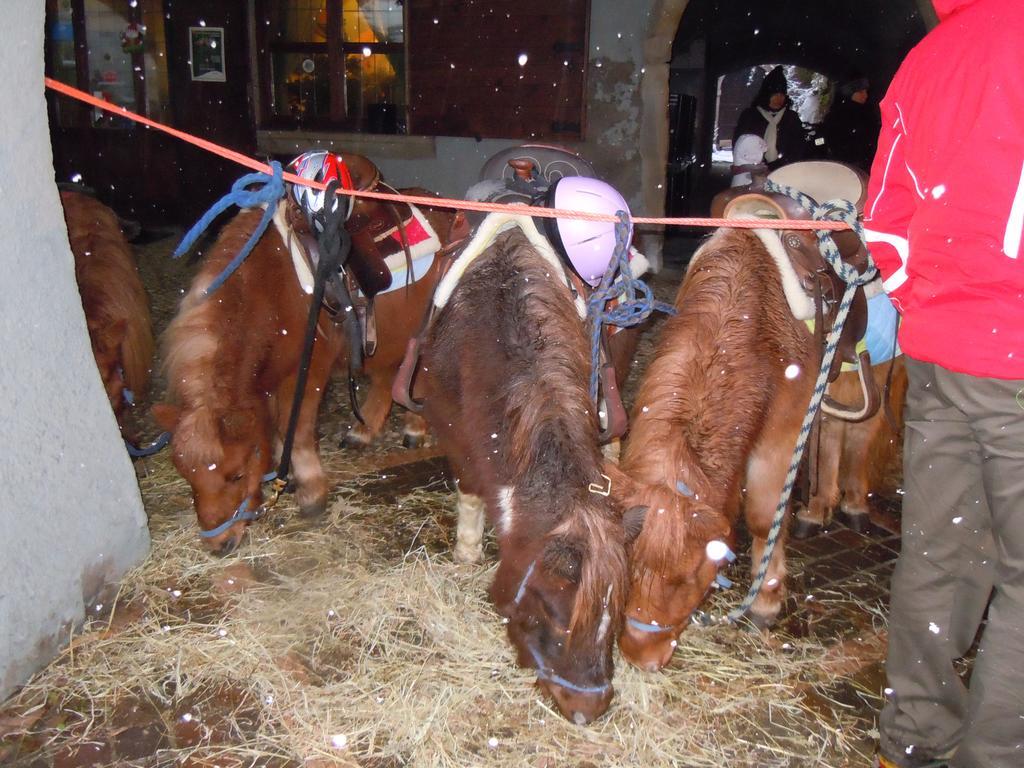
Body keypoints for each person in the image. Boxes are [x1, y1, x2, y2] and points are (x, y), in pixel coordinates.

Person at [862, 1, 1024, 767]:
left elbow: (883, 219)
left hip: (942, 354)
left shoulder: (933, 53)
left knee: (940, 552)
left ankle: (916, 735)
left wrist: (925, 307)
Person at [733, 65, 809, 170]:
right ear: (766, 95)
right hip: (752, 172)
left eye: (782, 95)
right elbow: (740, 145)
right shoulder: (750, 116)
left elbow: (797, 148)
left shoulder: (791, 118)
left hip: (783, 172)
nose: (779, 99)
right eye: (775, 94)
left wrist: (778, 165)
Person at [822, 74, 880, 171]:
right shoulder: (837, 117)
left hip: (869, 165)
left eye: (866, 91)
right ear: (849, 93)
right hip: (848, 168)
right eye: (861, 91)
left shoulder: (868, 112)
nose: (865, 95)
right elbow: (836, 145)